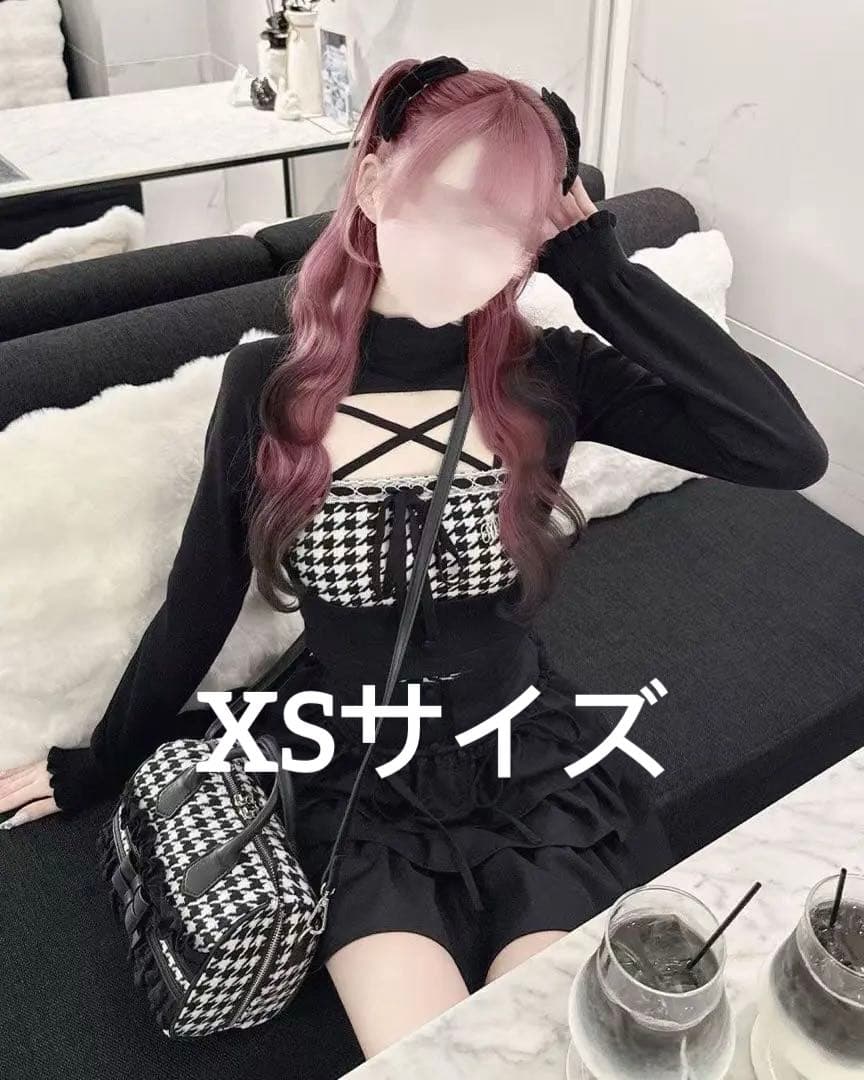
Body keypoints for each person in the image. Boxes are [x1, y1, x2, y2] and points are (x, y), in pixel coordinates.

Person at [0, 57, 828, 1057]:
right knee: (429, 1055)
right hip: (354, 769)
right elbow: (200, 600)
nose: (474, 254)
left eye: (509, 227)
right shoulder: (270, 386)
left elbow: (784, 450)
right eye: (449, 203)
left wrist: (599, 273)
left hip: (525, 757)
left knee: (552, 1045)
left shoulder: (545, 374)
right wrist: (99, 761)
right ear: (375, 181)